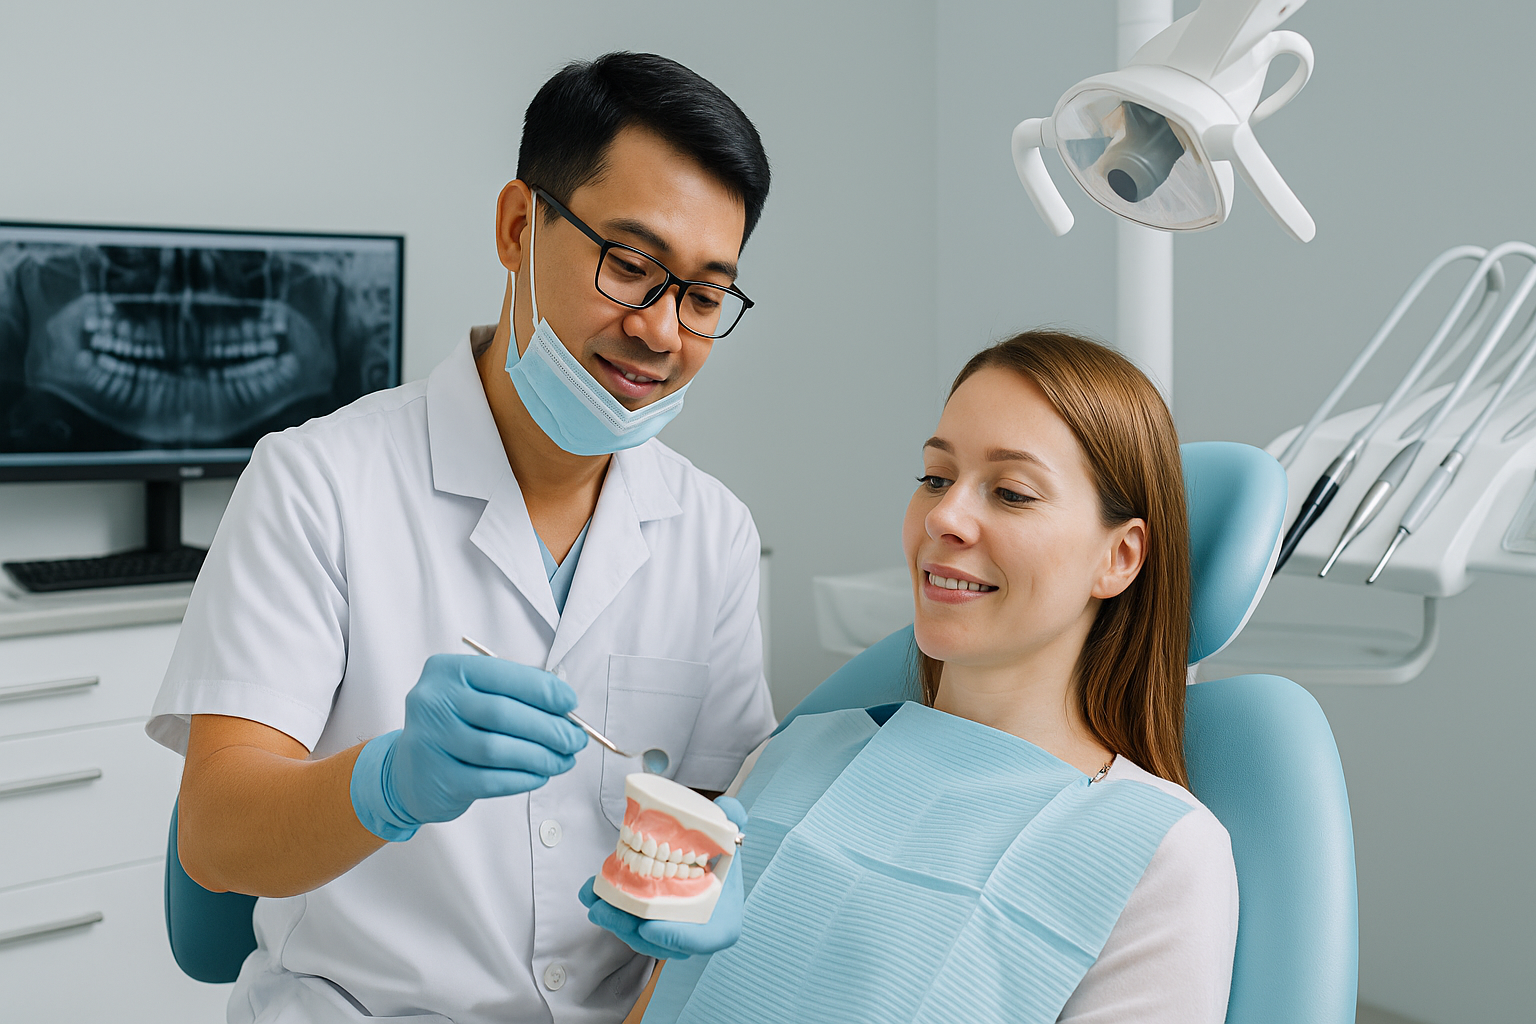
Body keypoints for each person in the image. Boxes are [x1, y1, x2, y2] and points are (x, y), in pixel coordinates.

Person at [148, 52, 777, 1024]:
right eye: (631, 266)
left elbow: (712, 810)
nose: (660, 331)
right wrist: (389, 782)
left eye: (702, 296)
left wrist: (709, 881)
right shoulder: (318, 481)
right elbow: (218, 839)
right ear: (520, 228)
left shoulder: (714, 531)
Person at [597, 330, 1240, 1024]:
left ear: (1119, 556)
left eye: (1013, 492)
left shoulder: (1159, 853)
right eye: (936, 478)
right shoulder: (791, 755)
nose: (944, 516)